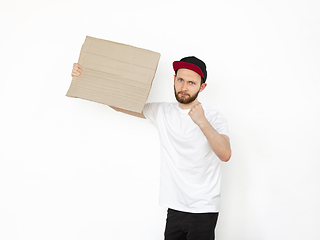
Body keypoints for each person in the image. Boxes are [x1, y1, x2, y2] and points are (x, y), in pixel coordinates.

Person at [71, 56, 231, 240]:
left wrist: (202, 122)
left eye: (191, 82)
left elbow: (225, 154)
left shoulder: (213, 117)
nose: (184, 87)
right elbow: (119, 105)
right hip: (175, 207)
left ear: (202, 87)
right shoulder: (162, 111)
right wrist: (86, 77)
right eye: (180, 80)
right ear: (174, 79)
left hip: (203, 209)